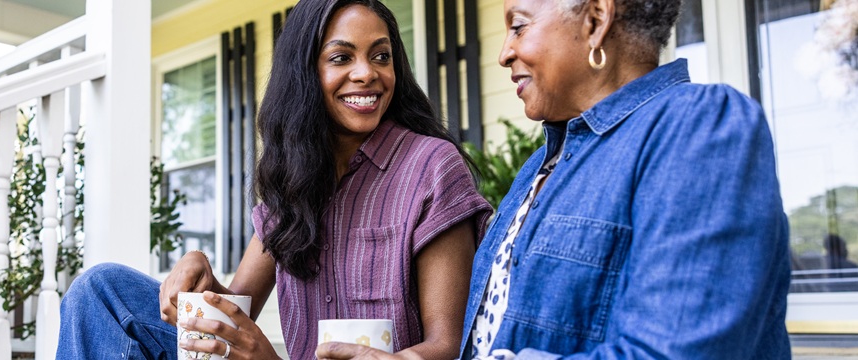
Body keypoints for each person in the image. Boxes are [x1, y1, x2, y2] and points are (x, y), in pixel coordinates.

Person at [317, 0, 791, 359]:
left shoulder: (698, 127)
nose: (504, 53)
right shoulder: (545, 163)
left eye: (519, 26)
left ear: (596, 20)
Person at [56, 0, 492, 358]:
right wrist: (197, 272)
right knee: (101, 291)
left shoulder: (431, 166)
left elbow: (449, 346)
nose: (367, 73)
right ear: (305, 74)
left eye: (381, 56)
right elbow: (233, 313)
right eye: (342, 57)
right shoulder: (293, 182)